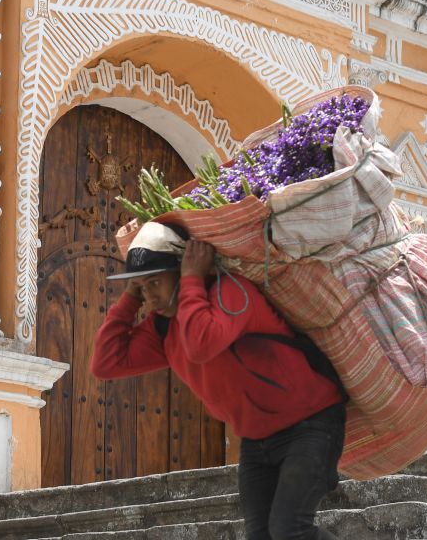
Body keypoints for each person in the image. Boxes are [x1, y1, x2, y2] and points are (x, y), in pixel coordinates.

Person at [91, 221, 346, 540]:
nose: (150, 296)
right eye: (144, 287)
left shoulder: (230, 292)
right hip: (257, 441)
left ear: (182, 270)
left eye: (155, 283)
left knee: (289, 529)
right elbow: (106, 362)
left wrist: (193, 279)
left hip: (311, 426)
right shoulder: (164, 329)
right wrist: (131, 296)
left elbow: (201, 344)